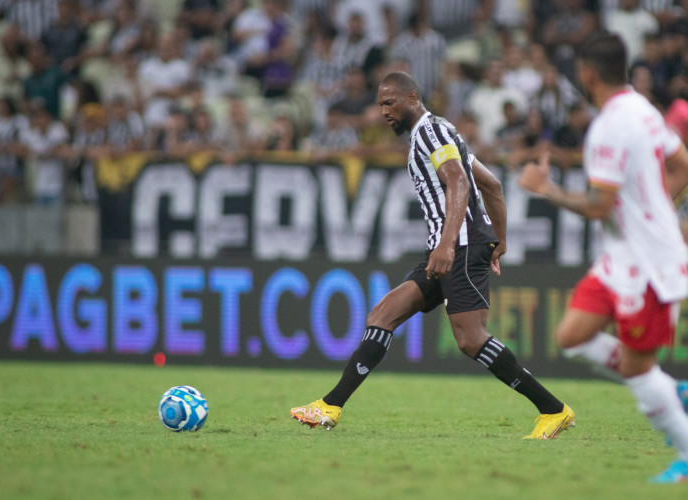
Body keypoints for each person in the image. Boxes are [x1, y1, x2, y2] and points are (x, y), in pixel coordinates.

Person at [291, 71, 575, 440]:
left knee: (471, 339)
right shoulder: (444, 132)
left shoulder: (430, 131)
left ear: (412, 97)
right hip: (452, 245)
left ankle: (553, 410)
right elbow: (491, 184)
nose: (383, 112)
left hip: (457, 245)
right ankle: (330, 407)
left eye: (389, 103)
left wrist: (448, 243)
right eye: (379, 105)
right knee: (384, 314)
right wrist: (499, 241)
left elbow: (457, 181)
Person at [518, 32, 688, 483]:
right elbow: (682, 165)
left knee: (636, 367)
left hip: (646, 264)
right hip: (622, 256)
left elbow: (599, 206)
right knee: (572, 335)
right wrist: (656, 215)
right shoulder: (643, 108)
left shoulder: (610, 126)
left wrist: (545, 188)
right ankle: (674, 391)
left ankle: (687, 452)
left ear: (587, 72)